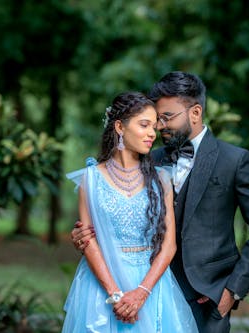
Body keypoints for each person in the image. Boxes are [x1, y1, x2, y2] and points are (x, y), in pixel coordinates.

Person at [72, 72, 249, 333]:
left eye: (167, 118)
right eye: (157, 119)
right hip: (154, 291)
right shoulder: (149, 160)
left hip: (208, 297)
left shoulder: (234, 160)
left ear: (195, 113)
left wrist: (231, 291)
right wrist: (83, 234)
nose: (160, 127)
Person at [62, 91, 198, 332]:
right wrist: (115, 295)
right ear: (119, 127)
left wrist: (141, 293)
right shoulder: (90, 180)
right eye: (144, 125)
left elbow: (169, 245)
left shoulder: (161, 179)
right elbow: (88, 241)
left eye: (154, 127)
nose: (151, 134)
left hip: (151, 285)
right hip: (101, 286)